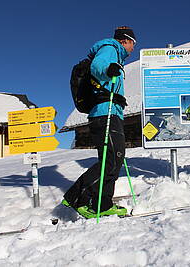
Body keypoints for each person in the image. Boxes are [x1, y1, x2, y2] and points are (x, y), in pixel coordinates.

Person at [62, 26, 136, 218]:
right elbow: (98, 66)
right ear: (125, 40)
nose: (133, 48)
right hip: (105, 114)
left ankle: (102, 205)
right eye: (133, 44)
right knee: (112, 160)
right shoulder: (110, 48)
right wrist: (107, 69)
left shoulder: (116, 54)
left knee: (113, 160)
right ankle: (77, 198)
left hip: (110, 113)